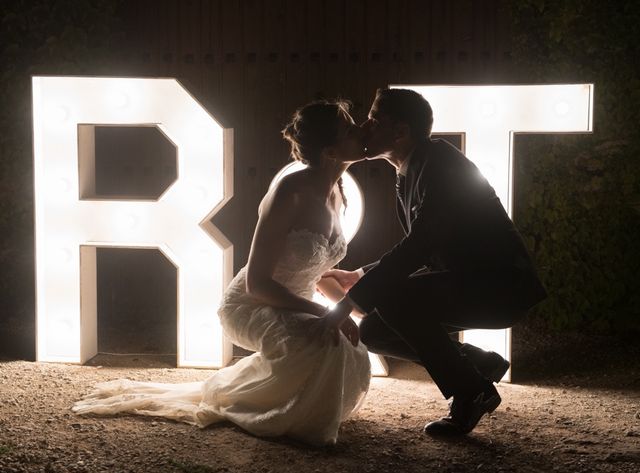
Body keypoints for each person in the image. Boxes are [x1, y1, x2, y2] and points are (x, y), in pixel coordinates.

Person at [73, 100, 371, 447]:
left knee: (352, 345)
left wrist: (348, 303)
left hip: (294, 304)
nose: (361, 130)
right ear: (331, 149)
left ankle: (285, 401)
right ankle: (260, 408)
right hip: (251, 304)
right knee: (326, 344)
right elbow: (257, 283)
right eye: (351, 129)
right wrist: (325, 311)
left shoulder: (337, 192)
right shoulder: (290, 192)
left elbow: (312, 269)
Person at [322, 88, 547, 436]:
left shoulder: (440, 166)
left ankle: (471, 391)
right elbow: (427, 244)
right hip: (470, 281)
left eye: (374, 120)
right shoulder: (415, 166)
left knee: (395, 300)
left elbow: (420, 246)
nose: (365, 128)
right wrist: (360, 274)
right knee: (374, 330)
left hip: (501, 288)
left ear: (400, 132)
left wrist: (349, 301)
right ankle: (478, 366)